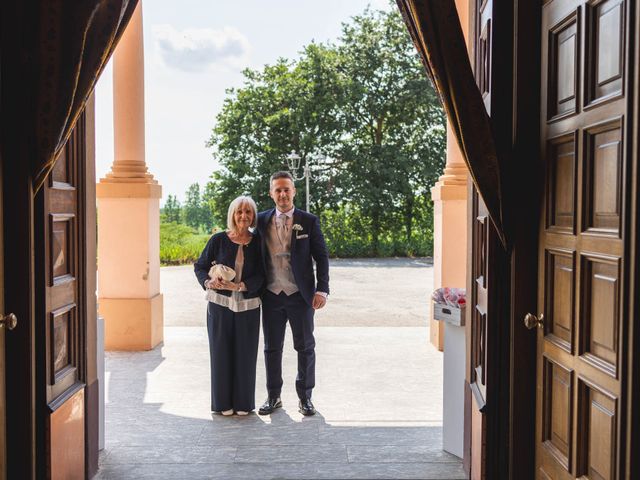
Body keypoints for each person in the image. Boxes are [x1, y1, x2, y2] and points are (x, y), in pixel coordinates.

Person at [256, 171, 330, 416]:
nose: (283, 194)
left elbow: (321, 257)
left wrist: (322, 290)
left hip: (301, 295)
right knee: (271, 348)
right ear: (271, 193)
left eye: (287, 189)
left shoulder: (308, 221)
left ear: (294, 191)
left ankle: (305, 397)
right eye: (278, 190)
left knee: (305, 347)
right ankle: (273, 396)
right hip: (271, 294)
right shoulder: (261, 220)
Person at [194, 195, 264, 416]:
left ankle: (243, 403)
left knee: (246, 353)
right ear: (233, 215)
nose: (243, 216)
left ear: (253, 216)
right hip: (219, 304)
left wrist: (243, 285)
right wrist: (208, 282)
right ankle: (222, 403)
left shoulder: (259, 242)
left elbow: (264, 274)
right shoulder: (218, 240)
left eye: (248, 212)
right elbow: (200, 266)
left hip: (249, 305)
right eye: (239, 212)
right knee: (220, 352)